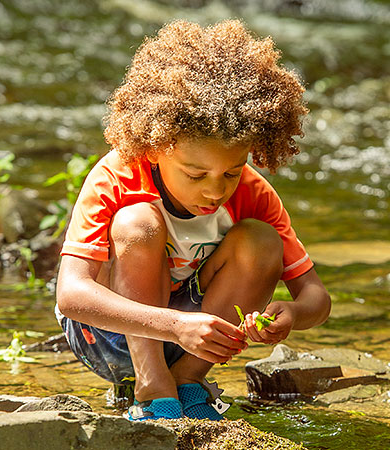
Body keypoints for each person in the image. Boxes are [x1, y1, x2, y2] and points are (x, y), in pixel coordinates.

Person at [55, 19, 331, 422]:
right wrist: (174, 324)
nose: (215, 191)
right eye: (195, 174)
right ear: (154, 149)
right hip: (110, 336)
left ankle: (188, 382)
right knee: (137, 223)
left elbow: (317, 299)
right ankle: (152, 387)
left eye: (231, 172)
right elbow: (71, 296)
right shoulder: (118, 175)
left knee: (261, 240)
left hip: (195, 340)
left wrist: (292, 314)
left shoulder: (254, 193)